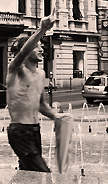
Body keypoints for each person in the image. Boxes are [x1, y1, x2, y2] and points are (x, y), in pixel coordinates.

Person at [6, 12, 67, 172]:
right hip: (19, 131)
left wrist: (56, 116)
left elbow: (40, 104)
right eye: (37, 45)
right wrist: (42, 30)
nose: (41, 48)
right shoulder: (15, 71)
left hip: (35, 130)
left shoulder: (41, 74)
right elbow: (22, 54)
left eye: (41, 45)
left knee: (29, 174)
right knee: (43, 174)